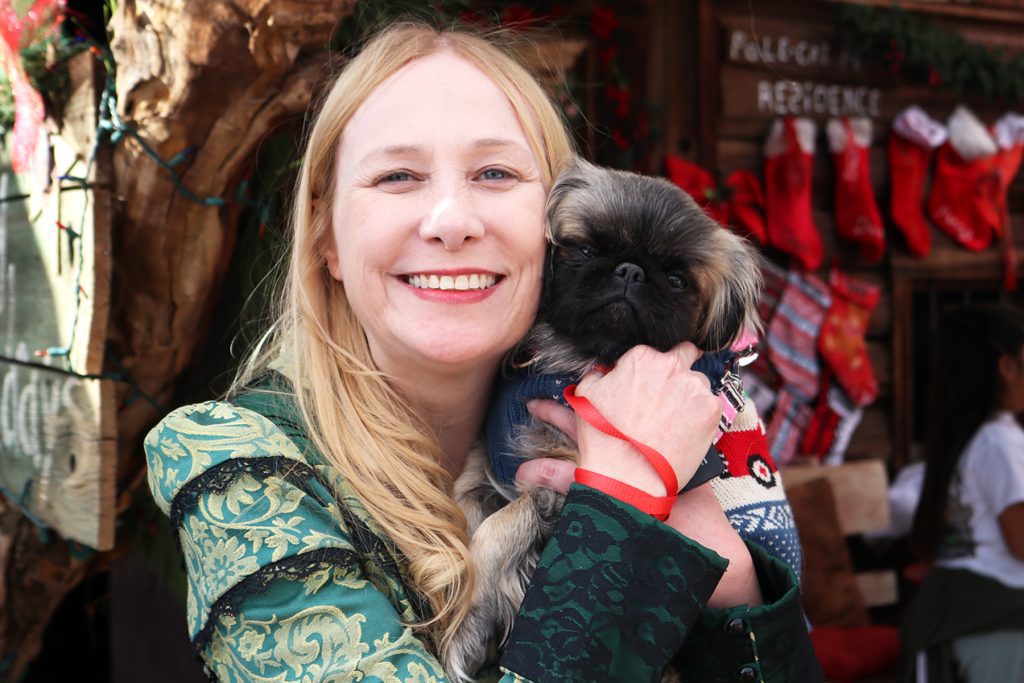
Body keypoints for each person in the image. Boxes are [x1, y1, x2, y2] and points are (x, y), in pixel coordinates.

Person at [144, 22, 820, 682]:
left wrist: (734, 584)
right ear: (325, 237)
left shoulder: (699, 420)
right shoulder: (237, 462)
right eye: (398, 176)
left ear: (549, 224)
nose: (451, 222)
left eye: (495, 172)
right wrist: (623, 495)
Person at [902, 302, 1024, 682]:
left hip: (957, 605)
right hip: (993, 608)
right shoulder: (1000, 441)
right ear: (1006, 367)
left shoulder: (969, 439)